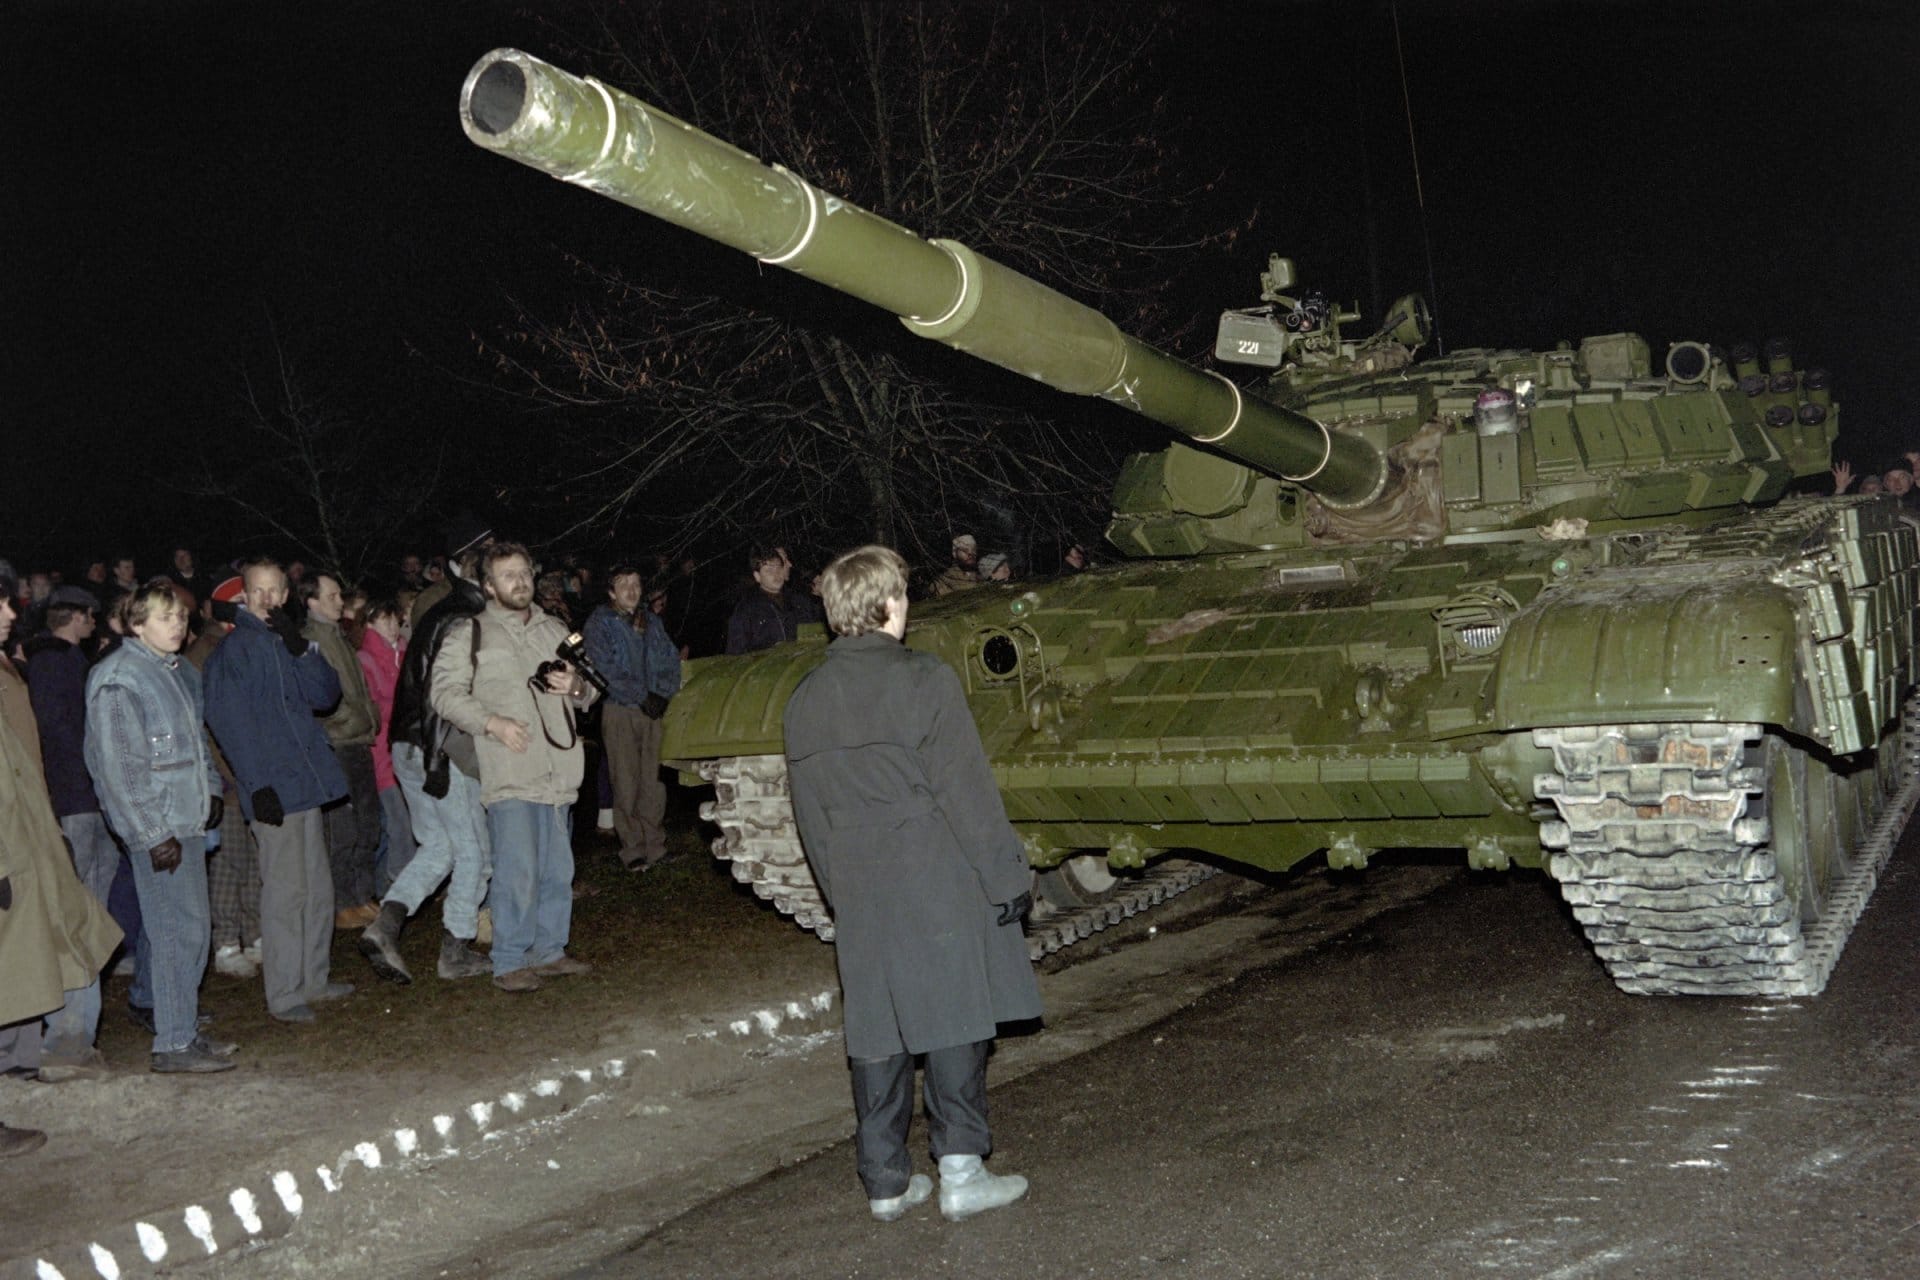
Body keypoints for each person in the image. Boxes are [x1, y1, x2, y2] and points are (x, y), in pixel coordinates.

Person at [782, 544, 1039, 1222]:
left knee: (878, 1026)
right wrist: (1005, 874)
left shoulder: (804, 699)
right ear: (893, 604)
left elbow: (808, 815)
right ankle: (960, 1171)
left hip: (860, 879)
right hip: (933, 867)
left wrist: (843, 890)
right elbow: (966, 791)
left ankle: (886, 1182)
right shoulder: (923, 679)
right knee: (951, 1012)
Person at [431, 542, 598, 992]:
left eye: (524, 573)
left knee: (557, 870)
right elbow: (443, 693)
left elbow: (590, 691)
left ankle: (549, 951)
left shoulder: (555, 629)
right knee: (517, 871)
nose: (520, 582)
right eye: (508, 576)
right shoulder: (469, 633)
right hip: (511, 770)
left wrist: (577, 687)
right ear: (488, 586)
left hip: (560, 769)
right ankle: (508, 960)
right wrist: (492, 723)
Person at [83, 581, 229, 1073]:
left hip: (182, 820)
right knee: (171, 934)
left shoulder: (171, 672)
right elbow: (120, 768)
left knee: (191, 933)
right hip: (160, 829)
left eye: (182, 618)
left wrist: (210, 789)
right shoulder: (120, 679)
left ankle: (182, 1030)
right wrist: (150, 833)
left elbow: (195, 742)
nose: (178, 626)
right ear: (136, 624)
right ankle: (172, 1044)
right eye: (165, 618)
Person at [203, 559, 354, 1025]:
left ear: (286, 596)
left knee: (316, 887)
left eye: (275, 591)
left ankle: (313, 977)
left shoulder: (288, 643)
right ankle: (285, 992)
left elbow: (326, 696)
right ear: (244, 596)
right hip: (274, 789)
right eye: (258, 591)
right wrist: (256, 784)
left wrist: (301, 648)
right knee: (285, 893)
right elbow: (230, 726)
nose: (267, 600)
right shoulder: (233, 653)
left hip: (306, 781)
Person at [1, 585, 122, 1100]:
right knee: (65, 925)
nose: (11, 613)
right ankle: (58, 1044)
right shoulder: (52, 666)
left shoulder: (20, 666)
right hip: (50, 814)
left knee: (68, 925)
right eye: (1, 603)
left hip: (43, 817)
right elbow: (58, 736)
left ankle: (38, 1050)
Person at [359, 552, 493, 986]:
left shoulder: (441, 611)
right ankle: (456, 949)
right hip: (439, 747)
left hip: (409, 746)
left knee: (439, 846)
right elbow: (442, 693)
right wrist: (438, 757)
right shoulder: (462, 617)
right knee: (472, 848)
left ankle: (385, 926)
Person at [584, 564, 682, 870]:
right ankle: (632, 849)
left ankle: (656, 846)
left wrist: (663, 694)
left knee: (653, 781)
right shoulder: (600, 623)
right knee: (625, 779)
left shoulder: (651, 621)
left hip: (652, 710)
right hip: (621, 709)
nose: (631, 590)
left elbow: (670, 659)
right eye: (623, 584)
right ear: (611, 591)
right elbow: (605, 669)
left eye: (636, 584)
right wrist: (642, 695)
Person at [301, 572, 382, 928]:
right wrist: (347, 721)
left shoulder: (340, 636)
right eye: (332, 595)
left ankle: (363, 895)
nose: (340, 602)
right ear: (312, 601)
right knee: (343, 827)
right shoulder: (309, 642)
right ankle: (342, 901)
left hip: (358, 741)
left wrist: (370, 719)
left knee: (368, 822)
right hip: (338, 744)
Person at [357, 596, 415, 891]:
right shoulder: (365, 659)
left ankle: (385, 887)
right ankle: (396, 889)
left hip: (405, 750)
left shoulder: (404, 653)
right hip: (382, 754)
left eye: (395, 619)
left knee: (399, 823)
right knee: (398, 823)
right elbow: (376, 708)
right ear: (369, 623)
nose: (392, 626)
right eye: (384, 620)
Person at [725, 546, 806, 654]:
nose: (776, 574)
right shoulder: (747, 609)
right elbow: (735, 653)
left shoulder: (800, 602)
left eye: (778, 568)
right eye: (769, 570)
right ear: (757, 576)